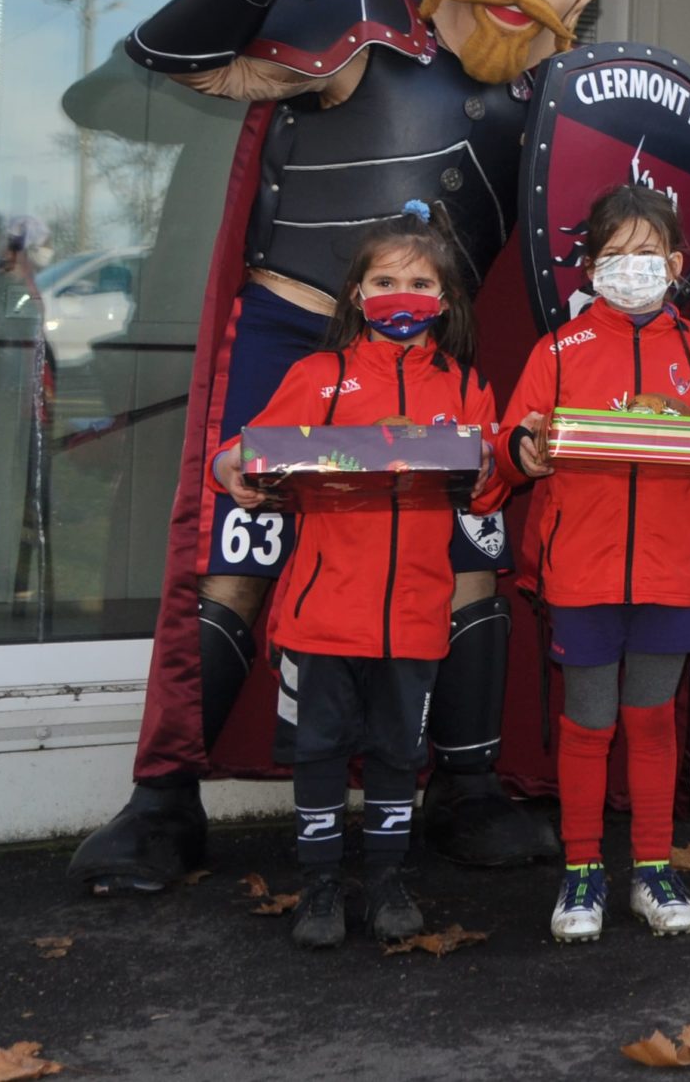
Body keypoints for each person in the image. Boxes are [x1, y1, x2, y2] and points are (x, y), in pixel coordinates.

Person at [72, 0, 604, 891]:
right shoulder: (367, 34)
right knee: (241, 545)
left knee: (467, 550)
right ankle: (167, 795)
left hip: (438, 358)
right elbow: (167, 66)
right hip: (295, 337)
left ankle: (466, 785)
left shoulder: (552, 109)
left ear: (580, 0)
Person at [208, 206, 502, 949]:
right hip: (321, 613)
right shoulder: (316, 376)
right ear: (356, 294)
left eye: (418, 282)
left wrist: (497, 465)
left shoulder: (466, 389)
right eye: (383, 280)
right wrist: (232, 472)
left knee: (400, 753)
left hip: (415, 613)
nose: (400, 294)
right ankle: (317, 886)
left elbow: (490, 487)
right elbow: (243, 453)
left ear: (445, 300)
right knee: (320, 751)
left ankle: (388, 878)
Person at [502, 184, 690, 941]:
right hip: (581, 574)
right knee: (588, 722)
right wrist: (519, 448)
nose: (630, 268)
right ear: (587, 269)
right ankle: (582, 870)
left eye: (646, 254)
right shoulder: (558, 351)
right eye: (613, 256)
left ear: (676, 263)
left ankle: (652, 865)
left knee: (651, 722)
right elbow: (513, 446)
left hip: (668, 574)